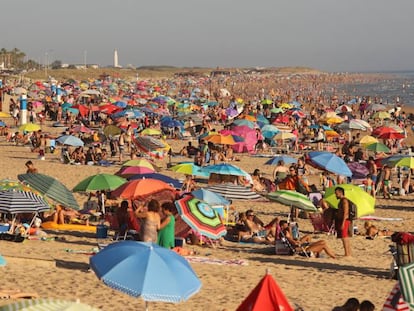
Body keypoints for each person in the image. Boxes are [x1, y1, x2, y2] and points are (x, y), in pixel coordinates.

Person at [334, 187, 352, 257]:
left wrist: (343, 223)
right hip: (342, 220)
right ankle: (348, 253)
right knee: (344, 237)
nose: (336, 195)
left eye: (337, 193)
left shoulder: (344, 201)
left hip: (344, 220)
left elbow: (345, 213)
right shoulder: (341, 200)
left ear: (341, 193)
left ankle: (347, 253)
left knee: (344, 237)